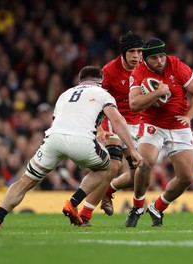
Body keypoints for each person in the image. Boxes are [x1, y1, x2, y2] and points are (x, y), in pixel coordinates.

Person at [0, 66, 143, 229]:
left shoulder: (65, 94)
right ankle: (73, 203)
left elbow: (58, 120)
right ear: (100, 82)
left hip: (54, 139)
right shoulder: (103, 94)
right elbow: (117, 121)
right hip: (81, 140)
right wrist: (132, 149)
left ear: (80, 81)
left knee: (26, 181)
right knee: (106, 167)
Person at [125, 37, 193, 227]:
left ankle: (158, 207)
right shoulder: (139, 71)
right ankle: (137, 205)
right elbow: (134, 104)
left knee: (187, 177)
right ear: (145, 59)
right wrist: (158, 93)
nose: (160, 61)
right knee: (144, 162)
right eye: (154, 58)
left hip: (178, 124)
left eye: (162, 56)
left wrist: (189, 116)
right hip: (153, 123)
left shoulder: (176, 65)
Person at [77, 31, 143, 226]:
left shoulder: (145, 68)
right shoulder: (110, 71)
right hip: (114, 122)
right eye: (132, 52)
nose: (136, 56)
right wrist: (100, 128)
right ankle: (85, 215)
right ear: (123, 52)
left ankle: (109, 190)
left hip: (139, 124)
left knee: (139, 174)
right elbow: (98, 101)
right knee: (113, 166)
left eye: (139, 52)